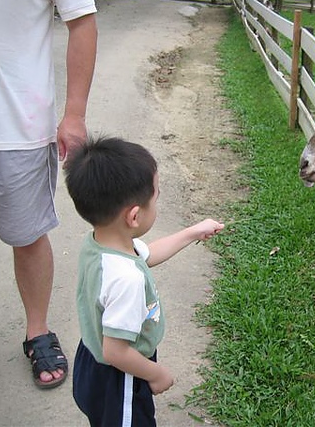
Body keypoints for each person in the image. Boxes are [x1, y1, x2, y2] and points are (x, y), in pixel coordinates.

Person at [0, 0, 98, 390]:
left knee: (27, 237)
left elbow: (82, 21)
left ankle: (37, 331)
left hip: (16, 124)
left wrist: (74, 114)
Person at [64, 136, 224, 426]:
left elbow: (148, 254)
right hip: (120, 375)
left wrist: (192, 232)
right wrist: (155, 373)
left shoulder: (100, 244)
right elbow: (116, 351)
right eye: (157, 196)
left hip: (91, 357)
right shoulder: (127, 279)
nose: (157, 201)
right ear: (134, 216)